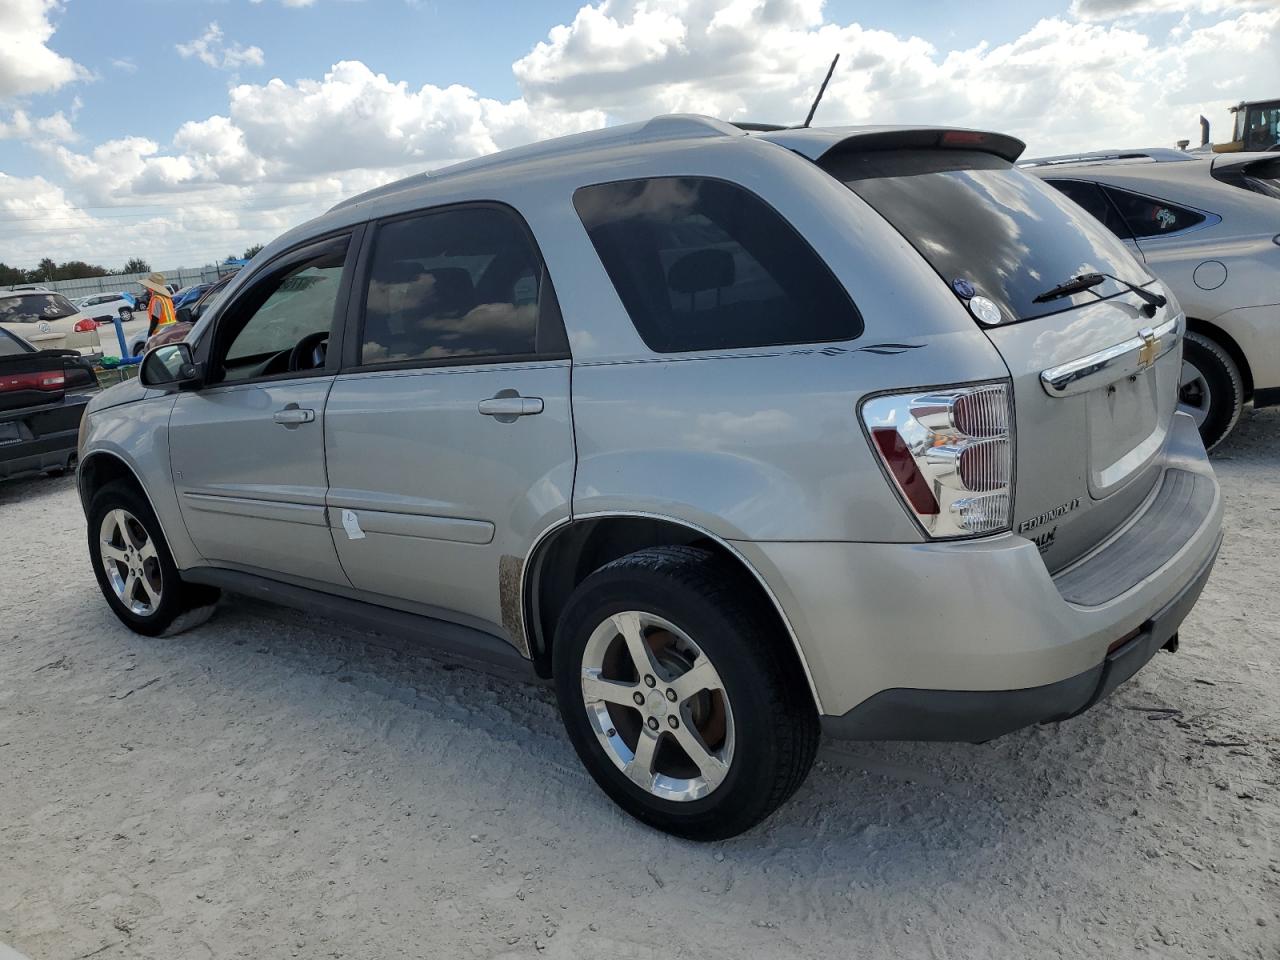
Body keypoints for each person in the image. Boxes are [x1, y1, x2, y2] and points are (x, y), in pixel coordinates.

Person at [139, 272, 175, 338]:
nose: (147, 287)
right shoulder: (167, 298)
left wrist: (149, 334)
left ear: (153, 287)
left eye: (149, 285)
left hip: (160, 334)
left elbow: (155, 319)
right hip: (172, 331)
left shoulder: (157, 299)